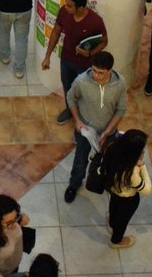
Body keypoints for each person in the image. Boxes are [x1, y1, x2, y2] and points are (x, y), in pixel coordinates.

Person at [64, 50, 127, 204]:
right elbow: (71, 99)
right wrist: (78, 121)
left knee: (109, 159)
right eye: (94, 71)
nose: (96, 75)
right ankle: (74, 184)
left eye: (101, 73)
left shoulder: (120, 84)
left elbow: (121, 109)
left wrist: (108, 131)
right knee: (80, 159)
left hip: (109, 129)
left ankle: (105, 182)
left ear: (110, 71)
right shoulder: (81, 81)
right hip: (85, 130)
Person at [42, 0, 108, 124]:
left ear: (80, 7)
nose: (65, 7)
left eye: (69, 6)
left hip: (85, 65)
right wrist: (47, 56)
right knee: (67, 87)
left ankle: (83, 117)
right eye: (66, 3)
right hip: (66, 60)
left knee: (84, 91)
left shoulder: (95, 21)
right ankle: (69, 110)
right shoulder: (64, 12)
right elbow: (56, 33)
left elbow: (104, 41)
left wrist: (90, 53)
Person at [102, 129, 152, 248]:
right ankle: (117, 240)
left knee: (113, 207)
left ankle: (111, 223)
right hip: (128, 199)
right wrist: (142, 166)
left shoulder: (111, 148)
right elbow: (147, 190)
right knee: (122, 221)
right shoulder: (132, 171)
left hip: (114, 190)